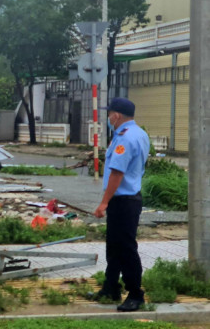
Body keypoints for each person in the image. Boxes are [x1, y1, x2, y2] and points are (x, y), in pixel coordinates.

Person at [93, 97, 150, 312]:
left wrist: (104, 202)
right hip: (129, 198)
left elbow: (117, 172)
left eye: (109, 115)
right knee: (114, 246)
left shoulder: (125, 139)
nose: (108, 119)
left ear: (116, 115)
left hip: (123, 201)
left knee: (125, 248)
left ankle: (135, 294)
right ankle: (111, 287)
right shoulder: (140, 133)